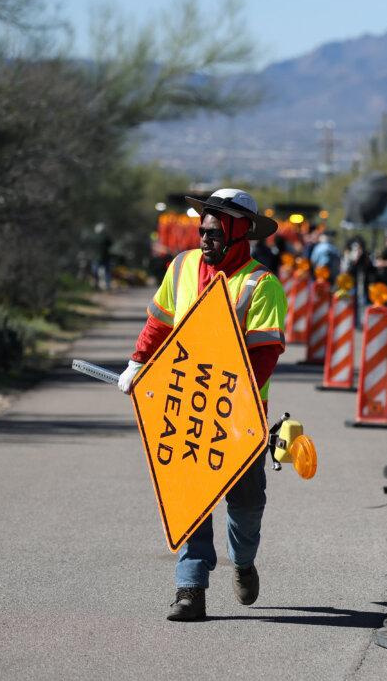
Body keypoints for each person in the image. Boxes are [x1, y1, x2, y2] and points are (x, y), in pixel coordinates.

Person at [117, 188, 286, 622]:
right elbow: (158, 322)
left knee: (246, 505)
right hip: (184, 409)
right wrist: (137, 362)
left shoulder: (260, 285)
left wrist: (227, 402)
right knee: (189, 499)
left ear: (238, 233)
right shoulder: (182, 267)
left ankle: (243, 560)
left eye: (214, 232)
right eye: (202, 230)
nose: (205, 239)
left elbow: (264, 355)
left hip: (241, 418)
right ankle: (190, 589)